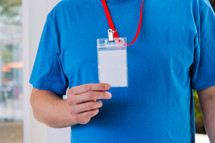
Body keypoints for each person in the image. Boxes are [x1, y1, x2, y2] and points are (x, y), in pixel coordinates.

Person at [29, 0, 215, 142]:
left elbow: (211, 94)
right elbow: (39, 101)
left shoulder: (192, 6)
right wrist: (69, 110)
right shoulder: (62, 15)